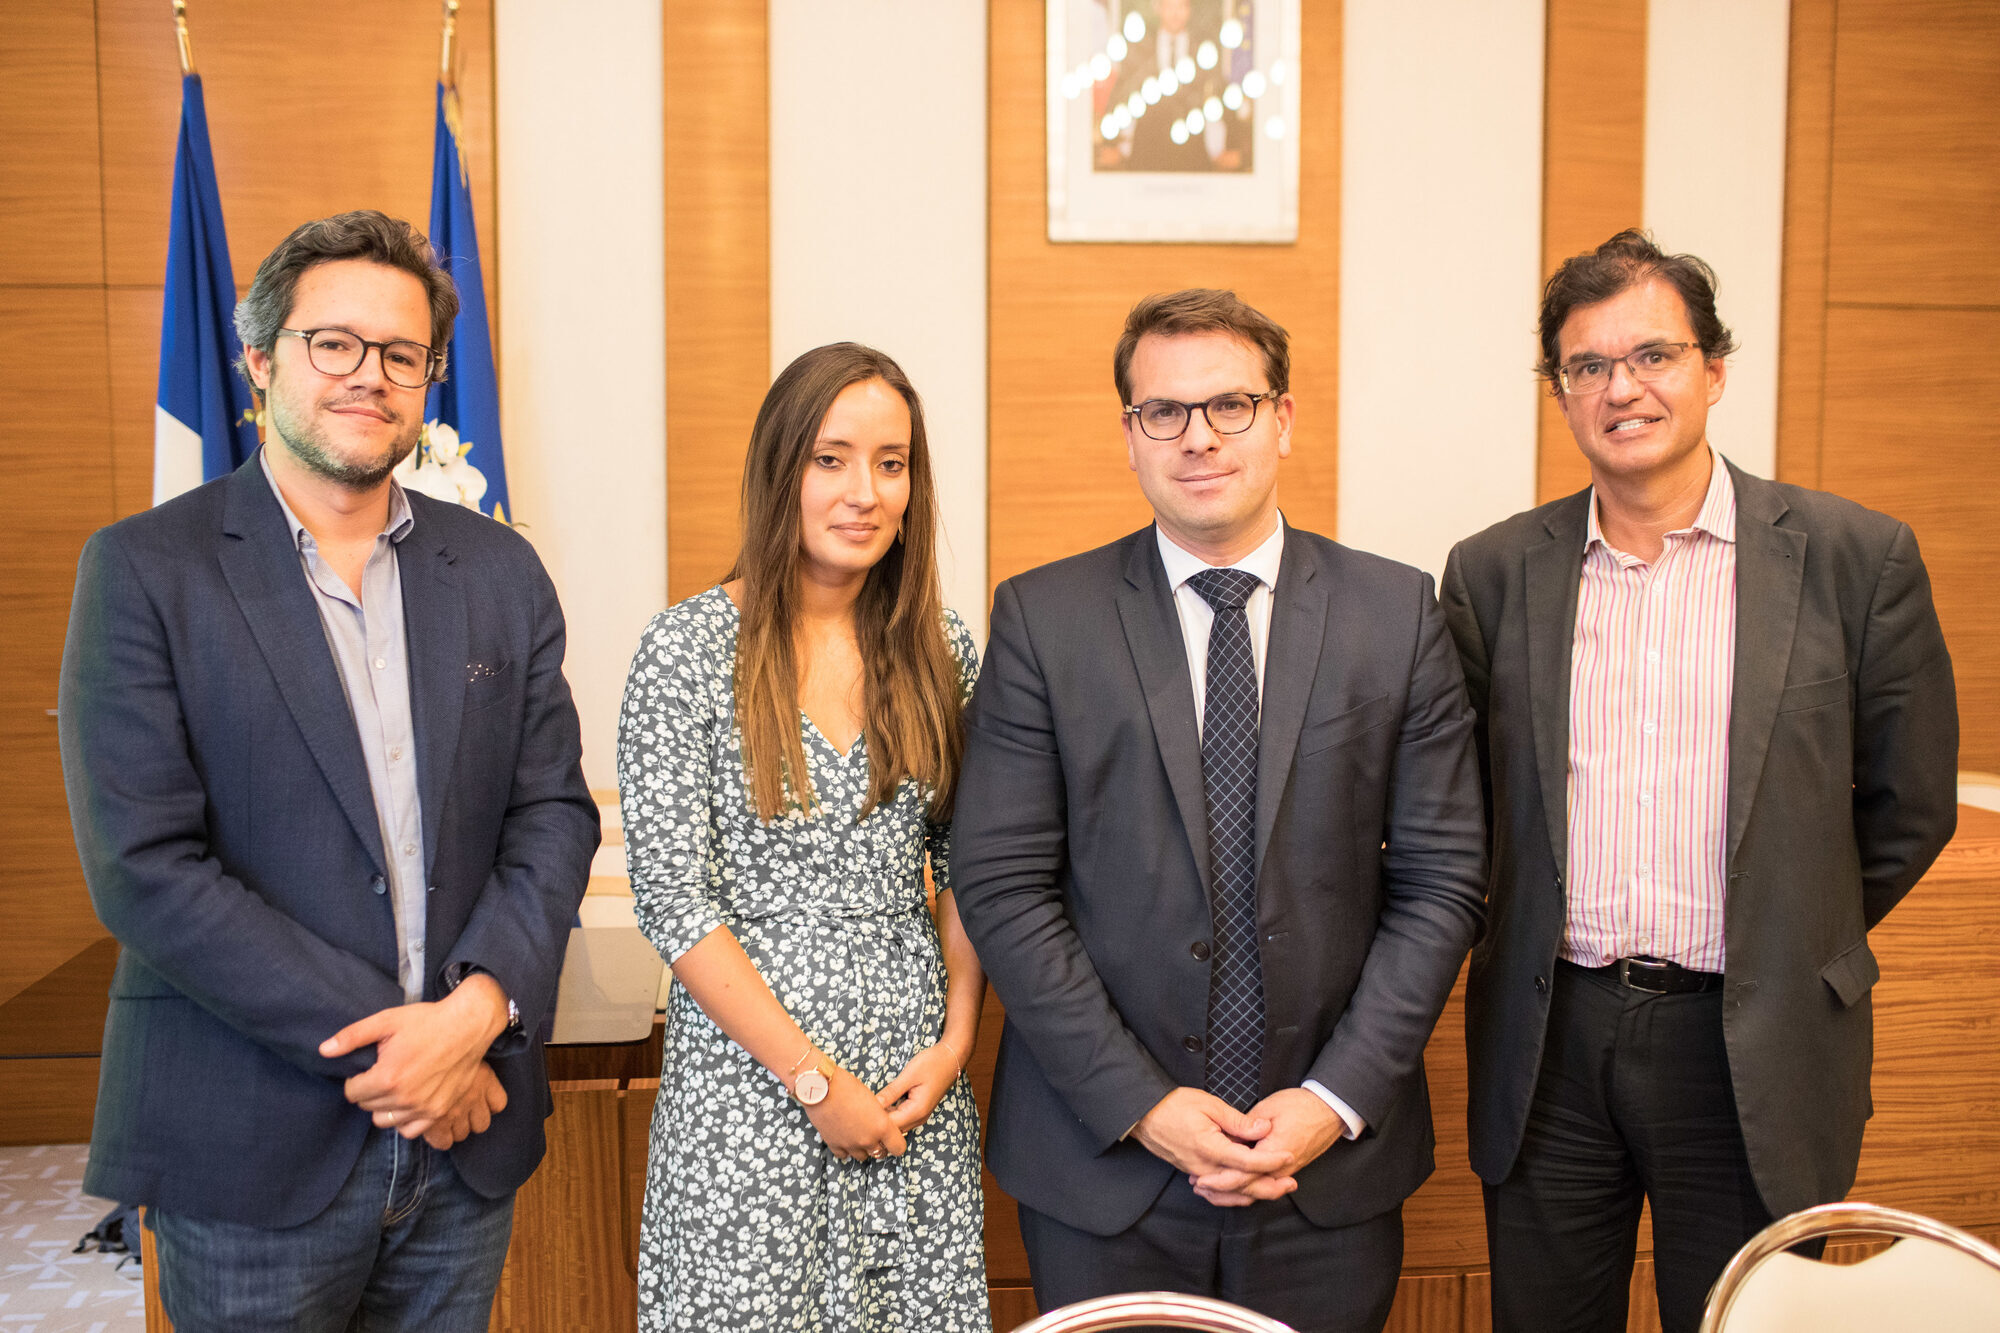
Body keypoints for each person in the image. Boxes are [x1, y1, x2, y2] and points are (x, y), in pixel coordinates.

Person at [57, 209, 599, 1330]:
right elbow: (145, 868)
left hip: (463, 1148)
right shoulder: (145, 570)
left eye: (402, 354)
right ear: (260, 361)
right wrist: (416, 1043)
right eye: (334, 343)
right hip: (250, 1138)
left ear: (429, 379)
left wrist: (476, 1012)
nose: (369, 375)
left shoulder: (499, 571)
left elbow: (550, 812)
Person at [1441, 229, 1960, 1333]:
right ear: (1560, 392)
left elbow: (1908, 805)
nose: (1620, 388)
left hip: (1753, 1039)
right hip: (1551, 1038)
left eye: (1653, 355)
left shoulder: (1853, 559)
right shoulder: (1491, 574)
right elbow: (1466, 809)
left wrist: (1787, 926)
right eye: (1587, 365)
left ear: (1713, 370)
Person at [952, 289, 1486, 1333]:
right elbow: (1002, 884)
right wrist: (1142, 1105)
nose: (1197, 436)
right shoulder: (1043, 619)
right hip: (1103, 1166)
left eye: (1229, 405)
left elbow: (1443, 879)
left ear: (1281, 419)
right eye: (1163, 411)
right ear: (1130, 435)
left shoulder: (1394, 613)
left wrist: (1331, 1099)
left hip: (1325, 1168)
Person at [617, 342, 989, 1331]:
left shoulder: (942, 647)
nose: (864, 491)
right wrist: (812, 1080)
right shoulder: (687, 650)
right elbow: (674, 898)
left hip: (911, 1089)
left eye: (890, 463)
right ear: (780, 468)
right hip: (750, 1092)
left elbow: (966, 863)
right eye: (831, 458)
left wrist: (955, 1039)